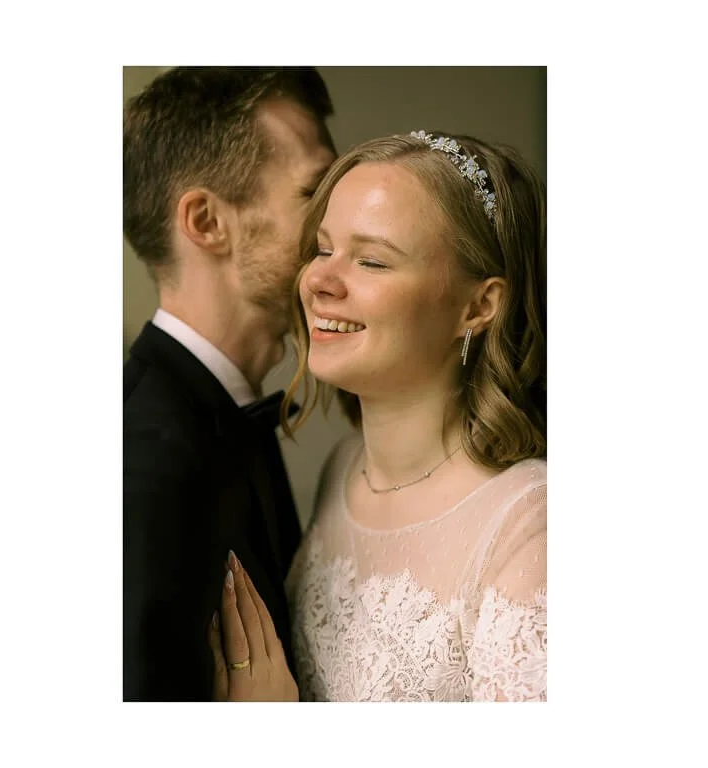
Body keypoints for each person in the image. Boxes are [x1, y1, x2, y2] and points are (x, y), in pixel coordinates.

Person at [209, 129, 547, 701]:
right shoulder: (344, 469)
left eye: (371, 261)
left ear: (479, 305)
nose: (317, 280)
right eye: (321, 249)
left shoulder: (532, 527)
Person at [123, 67, 337, 700]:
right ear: (207, 222)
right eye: (314, 195)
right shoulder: (144, 468)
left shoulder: (221, 414)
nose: (338, 230)